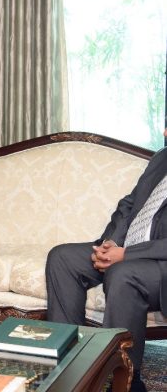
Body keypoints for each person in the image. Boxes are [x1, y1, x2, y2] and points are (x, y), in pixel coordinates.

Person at [45, 132, 167, 392]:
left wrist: (125, 255)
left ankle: (125, 382)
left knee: (123, 274)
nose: (165, 132)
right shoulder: (162, 159)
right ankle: (69, 371)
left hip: (160, 263)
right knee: (62, 258)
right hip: (127, 250)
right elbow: (129, 205)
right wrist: (110, 243)